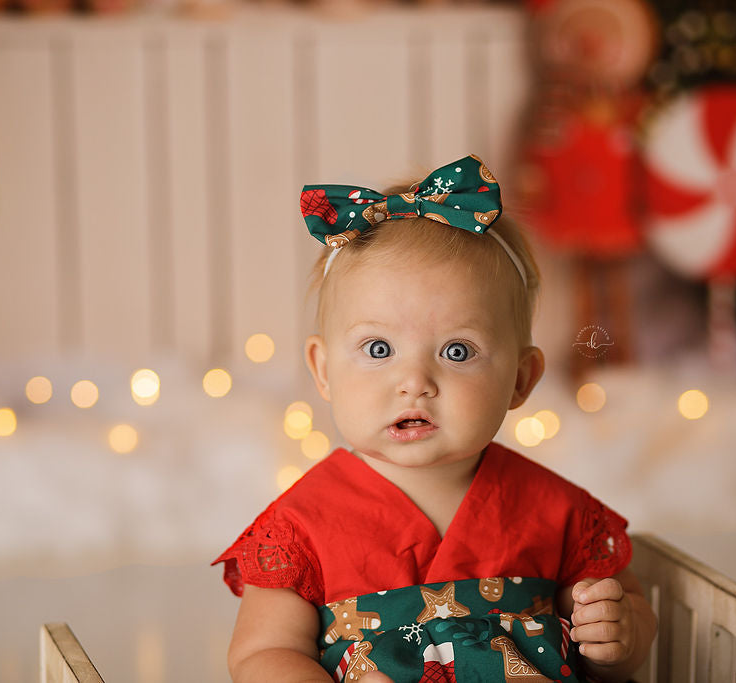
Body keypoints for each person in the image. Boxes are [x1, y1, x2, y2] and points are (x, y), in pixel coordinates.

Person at [215, 155, 656, 682]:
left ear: (520, 379)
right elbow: (261, 655)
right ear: (324, 370)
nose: (414, 381)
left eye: (457, 351)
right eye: (378, 349)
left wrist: (616, 637)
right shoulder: (300, 526)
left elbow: (621, 631)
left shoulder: (557, 513)